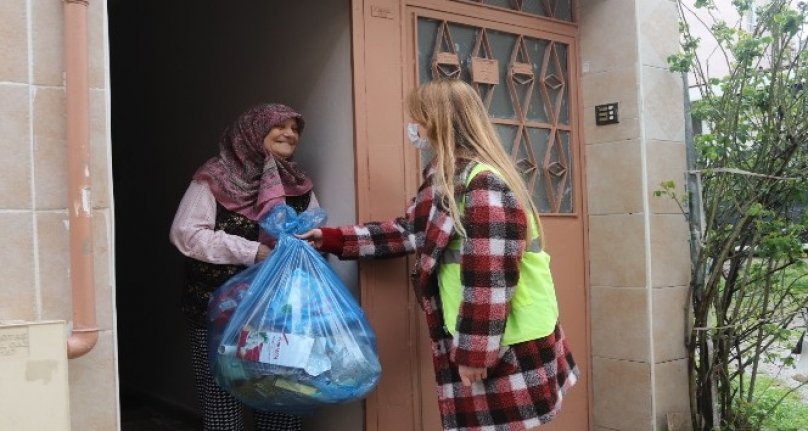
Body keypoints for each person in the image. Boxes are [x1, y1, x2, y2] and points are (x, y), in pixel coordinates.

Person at [298, 79, 578, 431]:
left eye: (416, 118)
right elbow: (410, 231)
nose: (411, 127)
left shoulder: (482, 182)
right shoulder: (445, 177)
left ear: (437, 121)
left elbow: (489, 279)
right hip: (492, 338)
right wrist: (333, 238)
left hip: (504, 344)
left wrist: (475, 354)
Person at [170, 103, 317, 431]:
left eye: (295, 129)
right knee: (223, 408)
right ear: (253, 131)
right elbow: (186, 233)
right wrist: (254, 252)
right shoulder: (215, 177)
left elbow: (313, 236)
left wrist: (305, 247)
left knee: (278, 402)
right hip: (218, 315)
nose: (290, 134)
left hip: (279, 317)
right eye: (280, 126)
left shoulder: (298, 183)